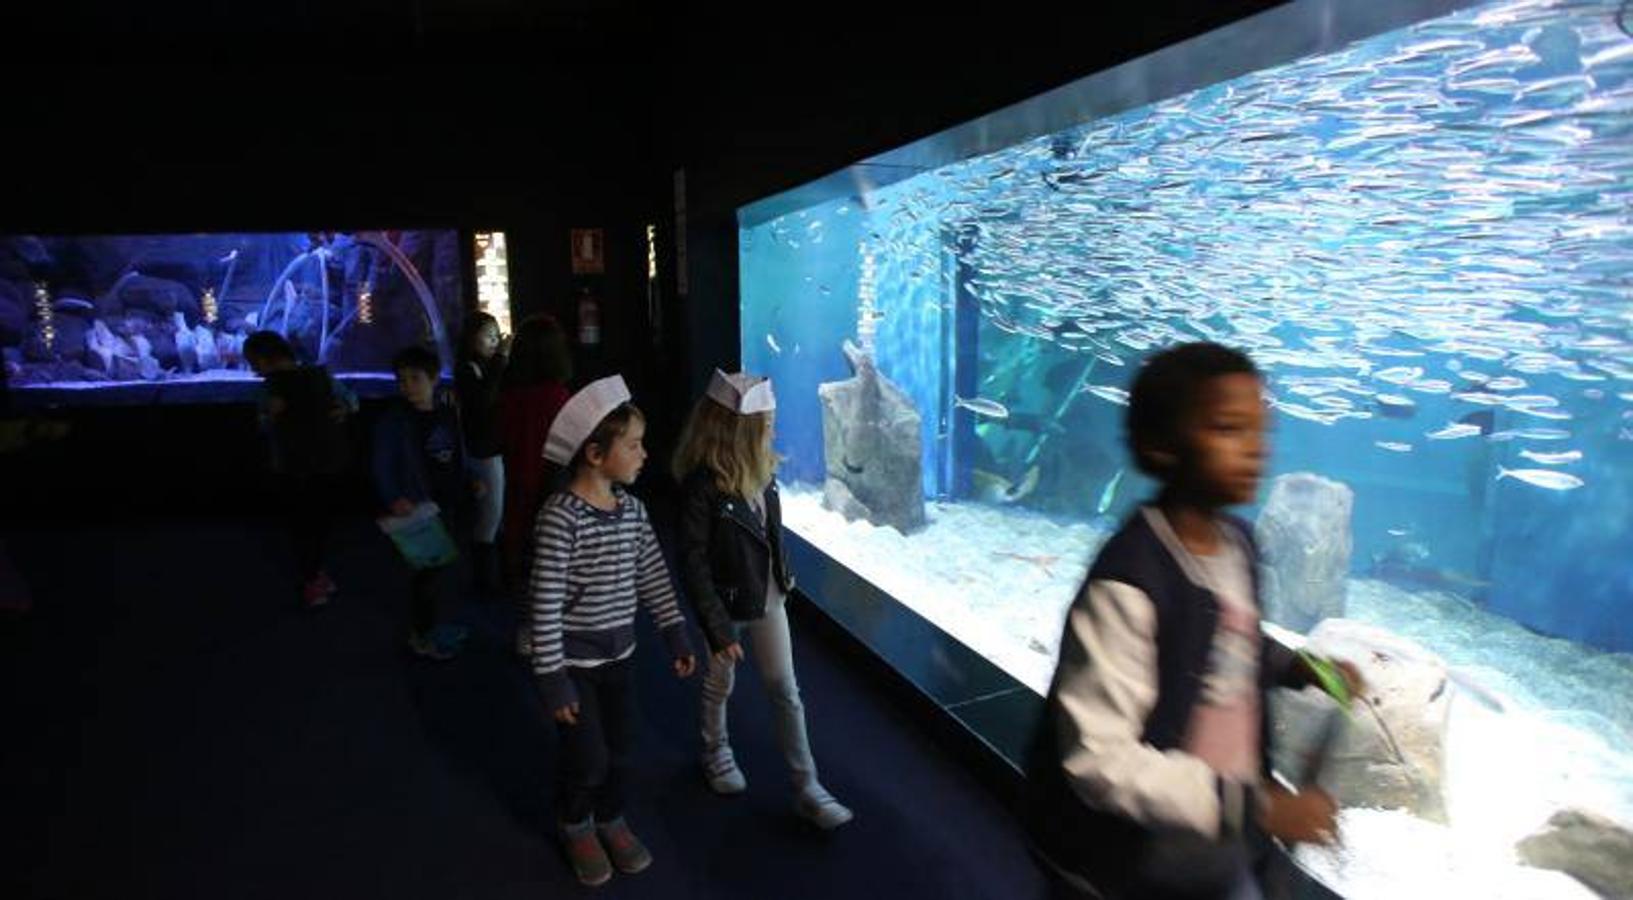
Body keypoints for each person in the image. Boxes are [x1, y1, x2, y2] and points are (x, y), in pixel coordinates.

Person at [1025, 342, 1362, 900]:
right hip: (1132, 852)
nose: (1256, 451)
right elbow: (1098, 759)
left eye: (1261, 430)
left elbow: (1229, 641)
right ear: (1160, 446)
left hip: (1221, 830)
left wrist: (1299, 667)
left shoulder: (1237, 544)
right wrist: (1257, 806)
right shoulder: (1130, 582)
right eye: (1230, 429)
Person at [529, 374, 696, 887]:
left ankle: (611, 817)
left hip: (620, 656)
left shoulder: (634, 511)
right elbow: (544, 602)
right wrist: (551, 678)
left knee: (623, 746)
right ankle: (575, 820)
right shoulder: (562, 518)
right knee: (589, 756)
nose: (645, 454)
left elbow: (653, 574)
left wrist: (674, 633)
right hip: (574, 664)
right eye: (634, 445)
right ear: (596, 454)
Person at [672, 369, 853, 830]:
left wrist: (784, 578)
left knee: (785, 690)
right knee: (720, 682)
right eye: (767, 421)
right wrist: (715, 628)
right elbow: (692, 562)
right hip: (726, 601)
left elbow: (770, 536)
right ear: (739, 428)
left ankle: (807, 784)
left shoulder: (765, 473)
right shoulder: (702, 487)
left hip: (768, 594)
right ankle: (715, 751)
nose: (774, 427)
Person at [373, 345, 480, 660]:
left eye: (415, 378)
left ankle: (436, 626)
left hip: (449, 502)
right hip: (418, 509)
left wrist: (470, 477)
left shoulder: (447, 412)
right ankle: (421, 634)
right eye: (402, 380)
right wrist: (394, 497)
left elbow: (457, 450)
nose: (407, 386)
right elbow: (381, 464)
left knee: (446, 569)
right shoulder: (394, 421)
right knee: (424, 575)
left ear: (434, 378)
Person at [243, 330, 357, 609]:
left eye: (253, 362)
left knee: (307, 524)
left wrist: (342, 408)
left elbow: (351, 401)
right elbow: (352, 400)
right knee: (311, 523)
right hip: (314, 463)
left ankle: (313, 575)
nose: (253, 369)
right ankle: (312, 576)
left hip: (300, 465)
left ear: (263, 359)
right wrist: (342, 410)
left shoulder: (272, 387)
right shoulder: (313, 378)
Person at [499, 314, 573, 652]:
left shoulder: (509, 395)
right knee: (553, 561)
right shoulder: (559, 396)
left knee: (522, 557)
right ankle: (552, 631)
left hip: (516, 488)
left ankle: (527, 629)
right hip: (552, 489)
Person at [455, 311, 511, 594]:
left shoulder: (484, 367)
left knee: (496, 516)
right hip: (483, 453)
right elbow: (483, 401)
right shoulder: (469, 369)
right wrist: (501, 359)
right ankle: (484, 584)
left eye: (496, 334)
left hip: (491, 450)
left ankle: (496, 577)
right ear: (471, 338)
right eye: (488, 335)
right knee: (489, 518)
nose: (494, 340)